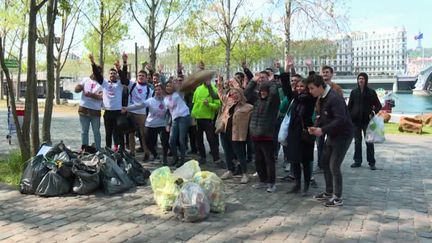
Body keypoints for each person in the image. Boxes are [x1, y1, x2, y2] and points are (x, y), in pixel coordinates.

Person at [307, 74, 353, 207]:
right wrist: (317, 126)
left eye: (312, 88)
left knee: (334, 165)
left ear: (320, 86)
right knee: (325, 161)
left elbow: (341, 119)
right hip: (333, 134)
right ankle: (329, 192)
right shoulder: (322, 97)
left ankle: (337, 197)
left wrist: (322, 130)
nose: (310, 92)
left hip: (343, 135)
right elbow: (323, 116)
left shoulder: (334, 97)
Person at [246, 71, 280, 193]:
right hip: (255, 135)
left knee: (268, 160)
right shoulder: (257, 101)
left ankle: (271, 182)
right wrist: (253, 81)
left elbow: (274, 93)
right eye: (261, 90)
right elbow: (247, 93)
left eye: (265, 90)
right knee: (258, 160)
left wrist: (271, 82)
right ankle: (263, 180)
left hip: (267, 136)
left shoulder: (272, 102)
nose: (263, 92)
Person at [217, 79, 254, 184]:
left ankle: (245, 174)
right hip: (224, 132)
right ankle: (230, 170)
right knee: (227, 153)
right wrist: (219, 85)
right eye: (231, 93)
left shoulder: (248, 107)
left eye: (236, 93)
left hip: (238, 134)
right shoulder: (227, 103)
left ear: (241, 95)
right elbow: (220, 94)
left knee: (240, 154)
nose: (234, 95)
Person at [284, 78, 316, 196]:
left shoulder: (310, 99)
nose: (299, 88)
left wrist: (310, 69)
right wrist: (285, 69)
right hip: (294, 133)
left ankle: (306, 185)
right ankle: (297, 184)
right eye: (297, 86)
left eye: (302, 86)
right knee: (294, 160)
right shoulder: (295, 98)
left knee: (306, 161)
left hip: (305, 133)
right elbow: (286, 88)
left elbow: (314, 81)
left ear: (307, 88)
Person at [124, 84, 169, 165]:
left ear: (163, 91)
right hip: (150, 124)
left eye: (160, 90)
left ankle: (165, 158)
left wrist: (168, 123)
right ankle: (155, 155)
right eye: (156, 90)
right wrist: (127, 108)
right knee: (147, 141)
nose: (158, 91)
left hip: (162, 124)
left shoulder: (167, 100)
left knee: (165, 141)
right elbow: (139, 105)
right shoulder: (150, 100)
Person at [89, 54, 127, 151]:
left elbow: (124, 77)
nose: (112, 75)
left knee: (119, 132)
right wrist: (92, 62)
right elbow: (97, 74)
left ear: (116, 75)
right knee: (108, 133)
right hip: (108, 113)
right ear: (108, 75)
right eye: (110, 74)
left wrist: (122, 65)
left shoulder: (120, 84)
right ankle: (108, 150)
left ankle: (122, 150)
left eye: (114, 74)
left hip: (118, 112)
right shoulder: (104, 83)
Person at [120, 54, 153, 159]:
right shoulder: (132, 85)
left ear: (146, 78)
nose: (141, 77)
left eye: (143, 76)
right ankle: (132, 152)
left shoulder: (149, 89)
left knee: (143, 135)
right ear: (137, 77)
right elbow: (124, 78)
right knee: (131, 134)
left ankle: (146, 152)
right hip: (131, 113)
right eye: (139, 76)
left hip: (142, 114)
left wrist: (151, 71)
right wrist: (124, 62)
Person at [348, 72, 382, 170]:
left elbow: (378, 105)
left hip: (367, 121)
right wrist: (349, 117)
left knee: (369, 142)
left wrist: (373, 112)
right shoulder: (354, 92)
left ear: (366, 80)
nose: (361, 80)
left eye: (362, 78)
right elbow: (349, 107)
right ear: (357, 80)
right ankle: (357, 161)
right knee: (357, 141)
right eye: (359, 79)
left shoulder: (371, 92)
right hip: (355, 121)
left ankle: (371, 162)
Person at [191, 78, 221, 165]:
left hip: (208, 119)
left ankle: (216, 158)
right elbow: (194, 103)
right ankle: (202, 157)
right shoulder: (198, 89)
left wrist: (209, 105)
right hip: (197, 119)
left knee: (211, 139)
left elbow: (218, 106)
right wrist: (193, 117)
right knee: (199, 140)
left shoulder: (214, 90)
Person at [164, 80, 191, 167]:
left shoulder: (179, 94)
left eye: (170, 86)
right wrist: (167, 124)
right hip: (175, 119)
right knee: (171, 141)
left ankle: (182, 159)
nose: (168, 87)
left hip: (184, 117)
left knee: (181, 140)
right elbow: (168, 112)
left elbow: (182, 86)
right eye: (167, 86)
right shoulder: (165, 99)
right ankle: (175, 158)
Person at [74, 75, 103, 151]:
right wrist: (78, 88)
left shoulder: (102, 82)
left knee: (96, 131)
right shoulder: (85, 79)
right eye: (94, 71)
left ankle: (98, 149)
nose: (95, 73)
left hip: (95, 111)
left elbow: (101, 97)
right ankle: (85, 148)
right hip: (84, 110)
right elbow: (77, 89)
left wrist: (91, 95)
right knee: (84, 131)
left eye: (97, 72)